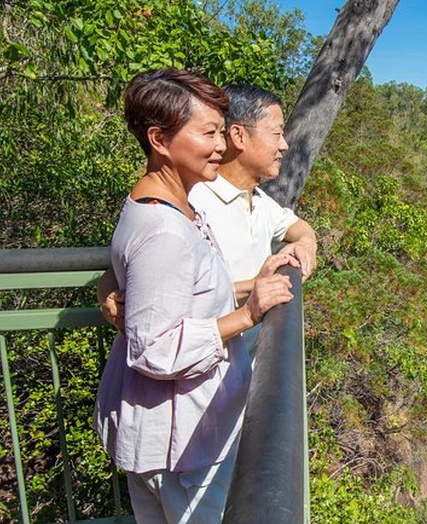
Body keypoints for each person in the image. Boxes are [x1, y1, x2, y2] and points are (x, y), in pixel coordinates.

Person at [94, 67, 294, 524]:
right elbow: (156, 348)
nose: (221, 147)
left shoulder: (166, 202)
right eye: (208, 133)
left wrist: (251, 284)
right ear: (159, 140)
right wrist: (247, 314)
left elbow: (178, 286)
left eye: (222, 133)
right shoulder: (165, 227)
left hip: (173, 434)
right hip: (182, 441)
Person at [99, 83, 318, 357]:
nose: (284, 145)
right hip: (195, 379)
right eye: (276, 133)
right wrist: (108, 297)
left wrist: (306, 245)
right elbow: (131, 277)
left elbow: (296, 226)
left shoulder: (256, 199)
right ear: (239, 136)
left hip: (237, 370)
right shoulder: (190, 203)